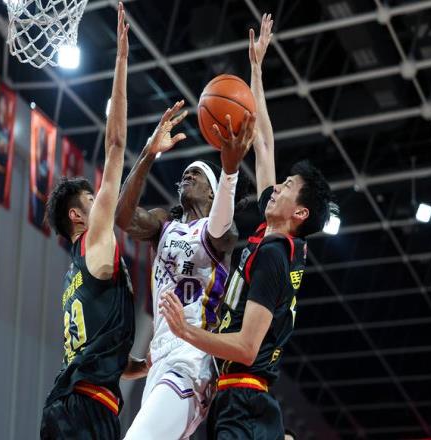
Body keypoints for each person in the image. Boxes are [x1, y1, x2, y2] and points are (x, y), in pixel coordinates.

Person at [161, 14, 337, 440]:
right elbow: (264, 143)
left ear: (300, 214)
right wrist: (256, 70)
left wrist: (186, 332)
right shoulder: (272, 239)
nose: (276, 188)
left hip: (244, 399)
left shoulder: (274, 256)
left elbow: (246, 347)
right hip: (239, 400)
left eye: (287, 187)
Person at [116, 100, 256, 437]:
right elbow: (122, 217)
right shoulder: (164, 223)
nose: (187, 176)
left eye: (197, 174)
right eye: (185, 174)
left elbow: (221, 226)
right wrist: (148, 153)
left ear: (212, 192)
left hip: (192, 357)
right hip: (160, 356)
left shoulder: (221, 232)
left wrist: (230, 173)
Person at [40, 4, 147, 439]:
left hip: (71, 405)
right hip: (85, 409)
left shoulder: (76, 276)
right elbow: (116, 144)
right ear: (77, 216)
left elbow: (108, 357)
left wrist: (147, 364)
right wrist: (121, 61)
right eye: (93, 198)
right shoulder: (94, 241)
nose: (102, 200)